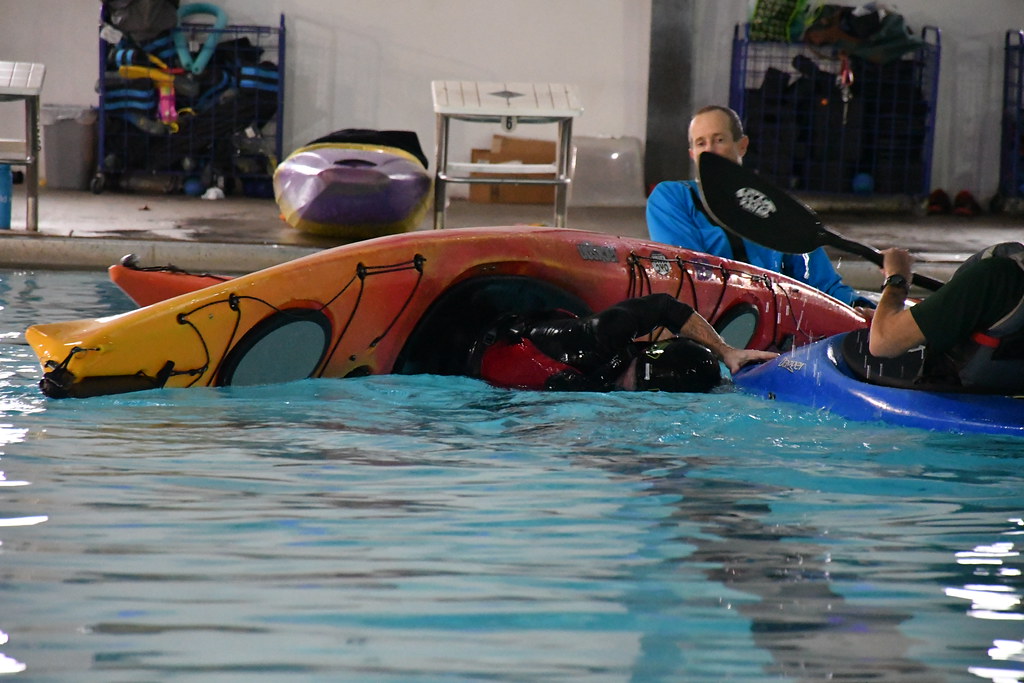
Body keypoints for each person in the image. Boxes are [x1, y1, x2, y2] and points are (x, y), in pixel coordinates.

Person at [646, 104, 874, 310]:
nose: (710, 151)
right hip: (713, 323)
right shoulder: (673, 197)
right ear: (692, 155)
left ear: (742, 146)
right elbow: (690, 273)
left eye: (719, 140)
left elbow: (819, 280)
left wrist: (859, 307)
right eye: (701, 143)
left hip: (770, 321)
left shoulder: (772, 207)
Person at [469, 293, 778, 393]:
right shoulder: (601, 337)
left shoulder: (599, 389)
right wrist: (724, 349)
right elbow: (664, 305)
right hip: (480, 343)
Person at [869, 242, 1024, 393]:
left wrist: (898, 276)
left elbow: (883, 343)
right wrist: (906, 319)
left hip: (957, 402)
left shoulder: (1001, 276)